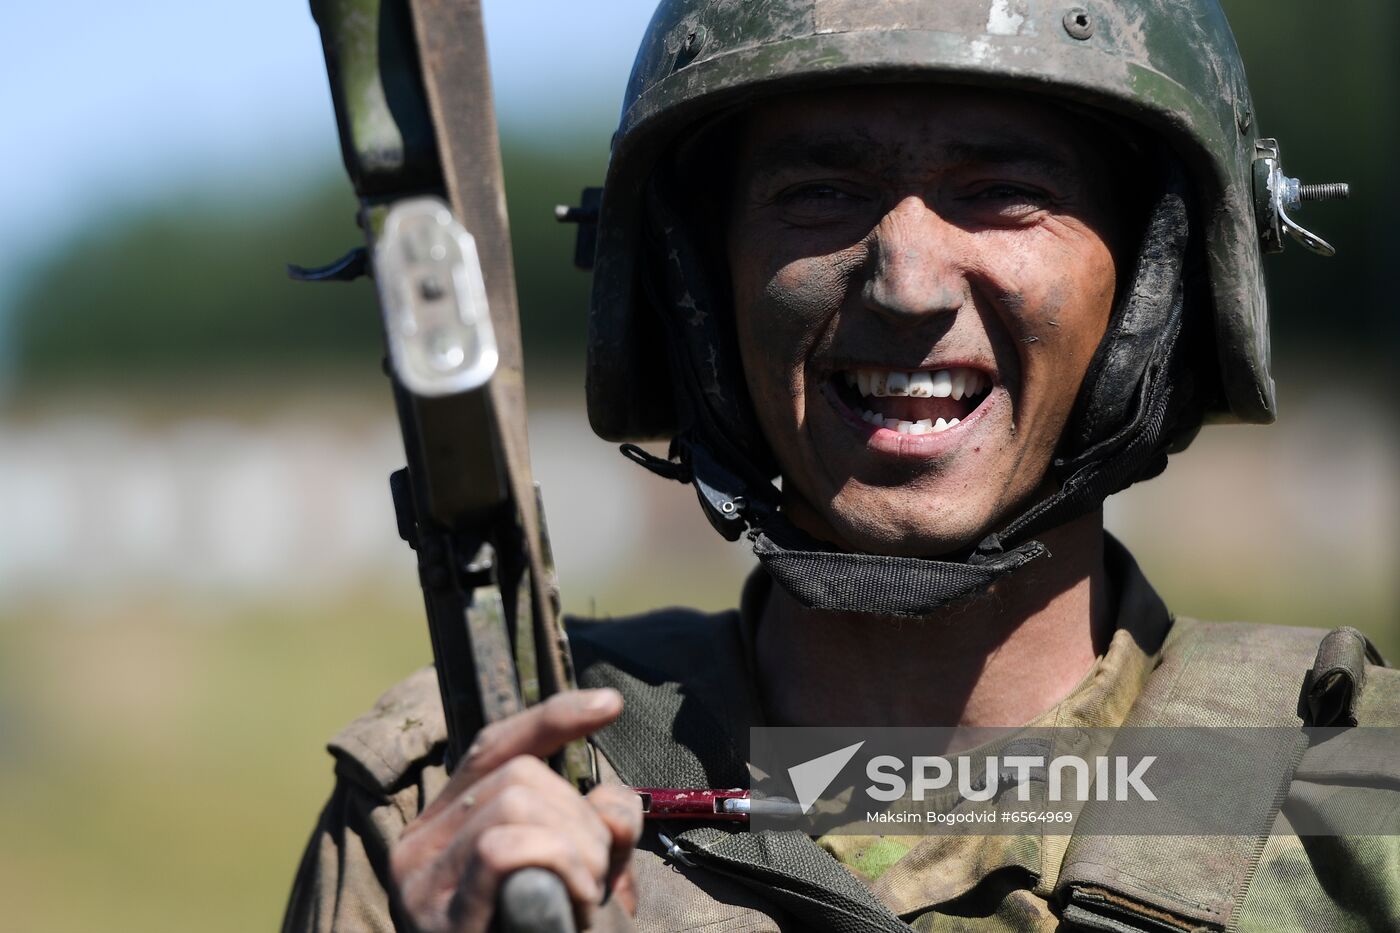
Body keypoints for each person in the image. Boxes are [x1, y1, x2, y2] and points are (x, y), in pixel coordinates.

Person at [282, 1, 1398, 931]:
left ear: (1159, 281)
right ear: (696, 284)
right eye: (819, 192)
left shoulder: (1353, 808)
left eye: (1000, 191)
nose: (906, 282)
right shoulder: (476, 805)